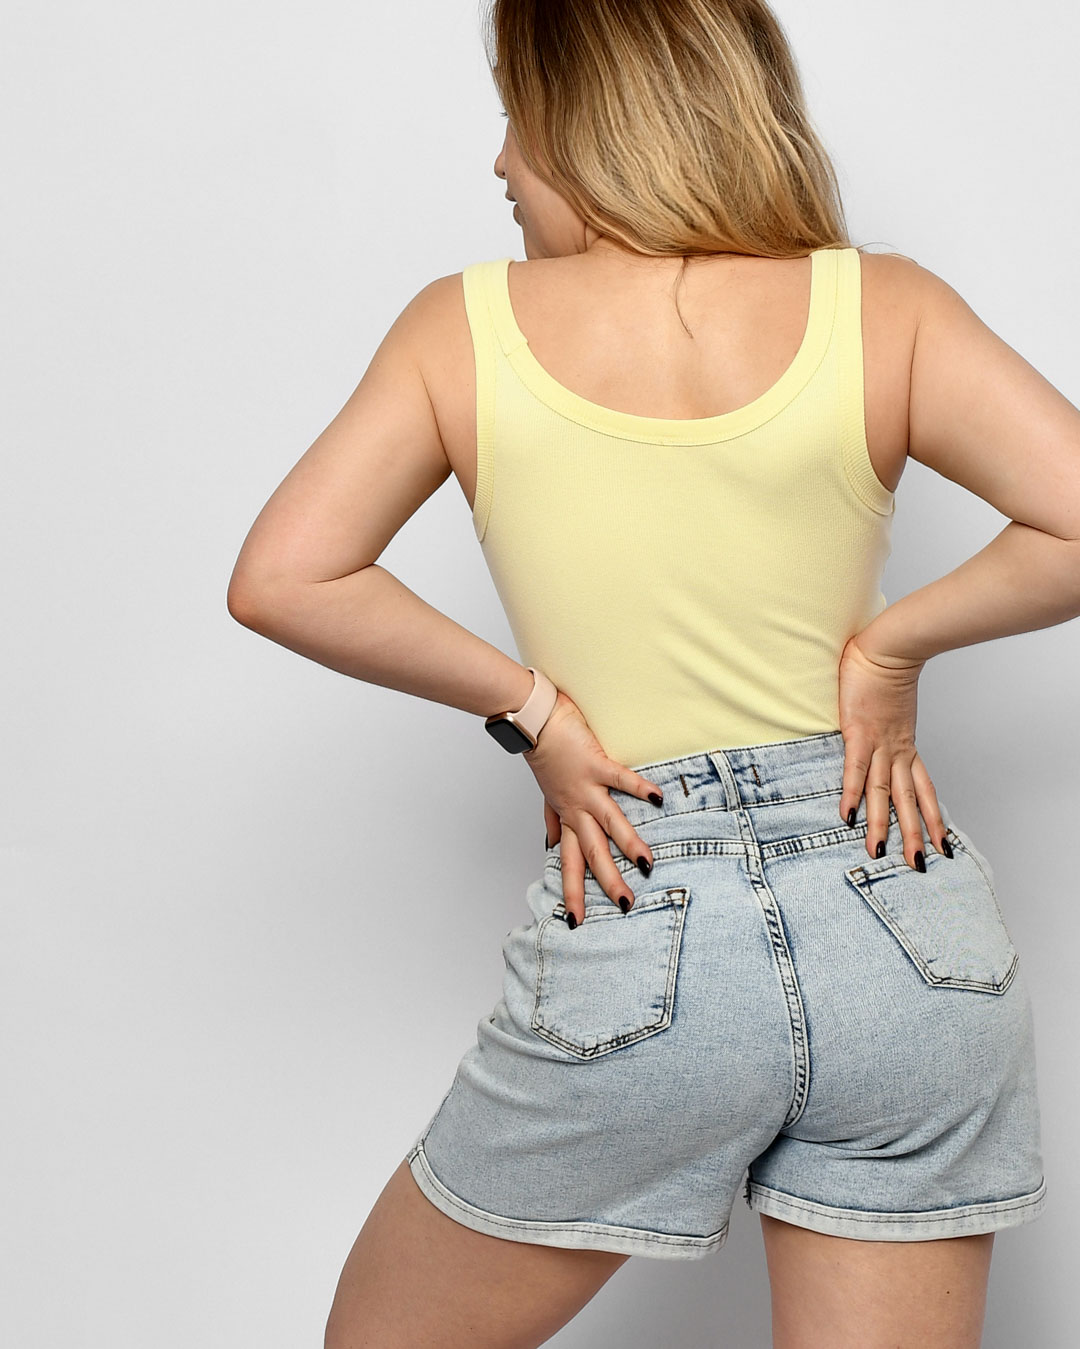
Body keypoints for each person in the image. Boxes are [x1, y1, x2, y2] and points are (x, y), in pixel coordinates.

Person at [226, 2, 1080, 1345]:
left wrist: (535, 712)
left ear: (586, 120)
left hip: (647, 903)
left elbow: (283, 576)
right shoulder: (885, 305)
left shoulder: (461, 328)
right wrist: (890, 646)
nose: (500, 162)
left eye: (516, 118)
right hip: (904, 924)